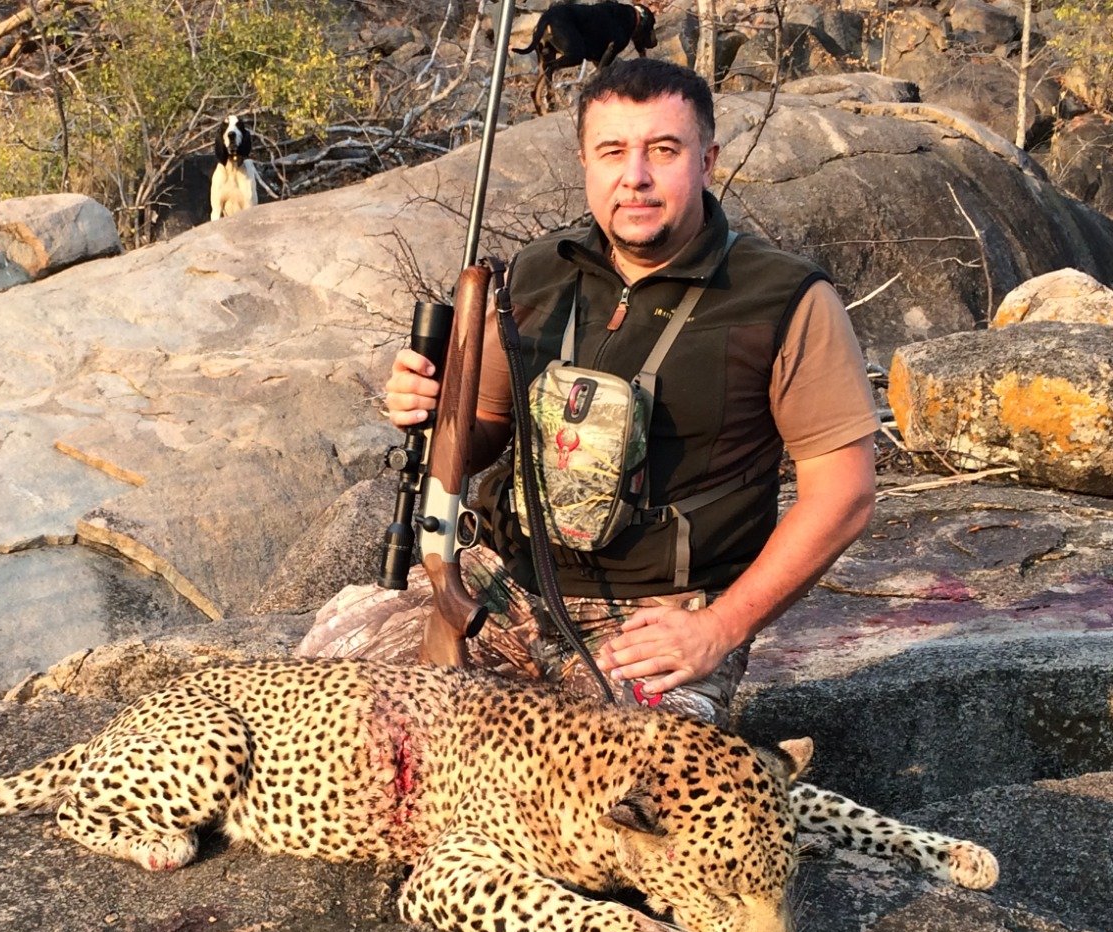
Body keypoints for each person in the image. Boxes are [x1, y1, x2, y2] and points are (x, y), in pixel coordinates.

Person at [368, 57, 880, 726]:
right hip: (501, 583)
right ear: (585, 160)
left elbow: (844, 494)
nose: (635, 176)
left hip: (656, 618)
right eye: (613, 151)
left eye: (663, 151)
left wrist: (719, 628)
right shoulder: (535, 274)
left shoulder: (784, 296)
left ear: (708, 160)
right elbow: (483, 433)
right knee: (352, 734)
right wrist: (431, 410)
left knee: (635, 794)